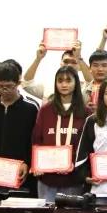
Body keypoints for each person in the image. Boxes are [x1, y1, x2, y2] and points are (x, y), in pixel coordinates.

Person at [0, 61, 39, 199]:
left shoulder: (30, 108)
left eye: (9, 86)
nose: (4, 90)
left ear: (18, 83)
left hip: (19, 172)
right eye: (1, 86)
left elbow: (34, 140)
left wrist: (28, 162)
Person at [31, 66, 89, 203]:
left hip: (73, 178)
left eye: (68, 81)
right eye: (60, 80)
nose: (64, 84)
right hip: (47, 177)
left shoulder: (85, 112)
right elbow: (36, 139)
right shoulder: (45, 110)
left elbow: (87, 146)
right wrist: (37, 163)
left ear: (76, 83)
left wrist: (75, 166)